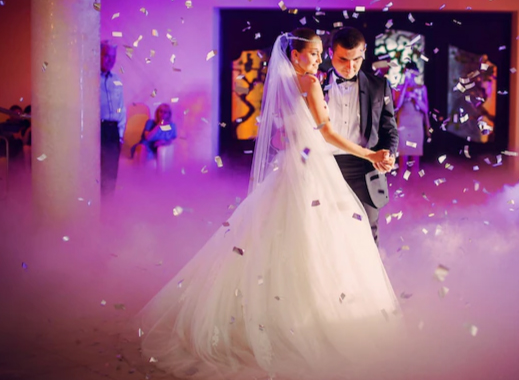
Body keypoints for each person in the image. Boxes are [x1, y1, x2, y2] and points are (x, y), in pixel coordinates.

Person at [137, 29, 404, 380]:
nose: (324, 60)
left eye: (326, 54)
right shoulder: (311, 83)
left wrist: (377, 154)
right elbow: (322, 134)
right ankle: (308, 321)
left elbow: (287, 134)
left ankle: (313, 312)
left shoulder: (290, 84)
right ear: (297, 56)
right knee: (314, 242)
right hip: (316, 169)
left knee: (326, 241)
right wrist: (368, 153)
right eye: (321, 54)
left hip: (313, 169)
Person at [323, 27, 399, 245]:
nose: (350, 67)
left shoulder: (379, 86)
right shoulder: (315, 86)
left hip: (365, 169)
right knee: (326, 236)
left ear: (364, 52)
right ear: (330, 53)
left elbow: (390, 129)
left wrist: (389, 155)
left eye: (356, 59)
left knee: (366, 237)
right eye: (343, 59)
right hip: (324, 168)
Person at [99, 40, 126, 195]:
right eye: (107, 56)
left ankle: (108, 210)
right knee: (94, 173)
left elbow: (121, 109)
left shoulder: (117, 79)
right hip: (96, 128)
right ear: (99, 55)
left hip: (112, 130)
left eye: (113, 57)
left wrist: (120, 135)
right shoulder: (90, 78)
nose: (111, 60)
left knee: (110, 174)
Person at [394, 61, 430, 174]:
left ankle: (415, 189)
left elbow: (426, 109)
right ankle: (402, 189)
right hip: (403, 125)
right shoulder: (398, 88)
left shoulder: (421, 88)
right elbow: (397, 104)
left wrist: (415, 97)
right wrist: (405, 86)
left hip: (416, 125)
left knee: (415, 160)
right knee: (403, 159)